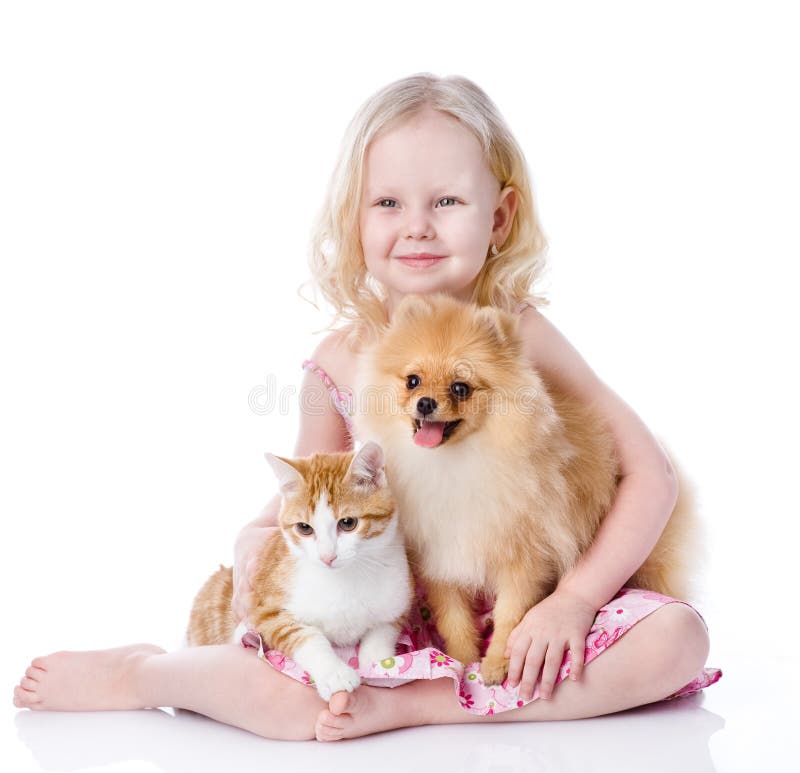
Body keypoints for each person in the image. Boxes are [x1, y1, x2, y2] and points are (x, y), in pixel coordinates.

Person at [13, 73, 719, 742]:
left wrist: (576, 600)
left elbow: (648, 475)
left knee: (676, 641)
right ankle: (146, 673)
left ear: (499, 217)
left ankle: (415, 705)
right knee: (288, 704)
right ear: (354, 220)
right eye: (388, 203)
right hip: (388, 613)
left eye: (445, 201)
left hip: (524, 610)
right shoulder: (342, 358)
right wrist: (256, 536)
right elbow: (298, 490)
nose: (417, 227)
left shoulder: (518, 334)